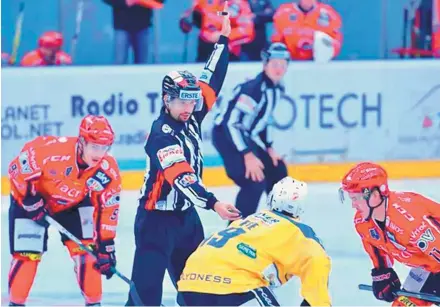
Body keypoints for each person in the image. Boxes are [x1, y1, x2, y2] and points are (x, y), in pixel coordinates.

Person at [126, 3, 241, 306]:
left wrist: (223, 41)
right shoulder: (162, 134)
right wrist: (213, 202)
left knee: (198, 293)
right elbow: (181, 176)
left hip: (186, 221)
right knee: (145, 300)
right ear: (166, 100)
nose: (190, 109)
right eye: (182, 102)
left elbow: (211, 78)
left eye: (193, 102)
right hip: (155, 223)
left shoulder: (190, 115)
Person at [7, 115, 121, 306]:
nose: (99, 153)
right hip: (32, 203)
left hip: (73, 206)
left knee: (89, 254)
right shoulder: (50, 151)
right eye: (95, 146)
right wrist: (29, 199)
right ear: (82, 142)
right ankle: (15, 304)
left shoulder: (107, 170)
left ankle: (94, 303)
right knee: (27, 256)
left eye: (104, 147)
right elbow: (16, 169)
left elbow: (108, 208)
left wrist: (106, 246)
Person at [178, 176, 332, 306]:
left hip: (188, 285)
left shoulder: (247, 220)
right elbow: (318, 265)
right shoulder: (301, 232)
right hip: (232, 287)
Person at [339, 162, 440, 306]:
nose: (353, 205)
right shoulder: (362, 222)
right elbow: (376, 248)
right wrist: (383, 273)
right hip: (427, 267)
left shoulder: (408, 221)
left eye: (356, 198)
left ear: (374, 195)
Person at [212, 42, 289, 219]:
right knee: (254, 181)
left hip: (244, 136)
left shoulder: (276, 88)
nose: (279, 69)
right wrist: (248, 155)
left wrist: (269, 148)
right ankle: (236, 231)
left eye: (283, 65)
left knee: (278, 169)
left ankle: (280, 222)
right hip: (226, 136)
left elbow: (264, 120)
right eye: (274, 64)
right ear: (265, 64)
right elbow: (230, 124)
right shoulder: (254, 89)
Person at [179, 0, 255, 62]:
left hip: (227, 51)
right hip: (205, 49)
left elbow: (247, 31)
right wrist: (186, 21)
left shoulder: (239, 3)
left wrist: (223, 35)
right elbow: (189, 16)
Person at [271, 0, 342, 61]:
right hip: (291, 63)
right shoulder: (283, 13)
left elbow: (336, 42)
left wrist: (324, 53)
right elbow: (276, 42)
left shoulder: (328, 14)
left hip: (319, 63)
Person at [103, 0, 164, 64]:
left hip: (143, 24)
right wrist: (124, 2)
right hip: (122, 25)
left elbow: (160, 1)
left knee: (142, 63)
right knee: (119, 61)